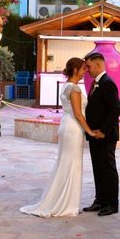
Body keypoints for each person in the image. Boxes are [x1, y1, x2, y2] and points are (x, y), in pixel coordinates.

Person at [20, 57, 98, 217]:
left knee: (66, 162)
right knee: (71, 164)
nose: (86, 72)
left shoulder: (66, 86)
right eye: (83, 69)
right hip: (73, 128)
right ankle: (67, 205)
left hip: (66, 125)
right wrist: (90, 131)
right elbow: (78, 113)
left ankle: (64, 200)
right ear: (75, 70)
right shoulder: (74, 89)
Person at [82, 51, 120, 217]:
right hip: (94, 135)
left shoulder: (107, 83)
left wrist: (103, 131)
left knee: (108, 169)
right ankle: (100, 200)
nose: (87, 69)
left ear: (98, 65)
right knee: (97, 168)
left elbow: (115, 109)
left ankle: (112, 204)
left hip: (105, 135)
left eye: (89, 66)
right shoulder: (95, 83)